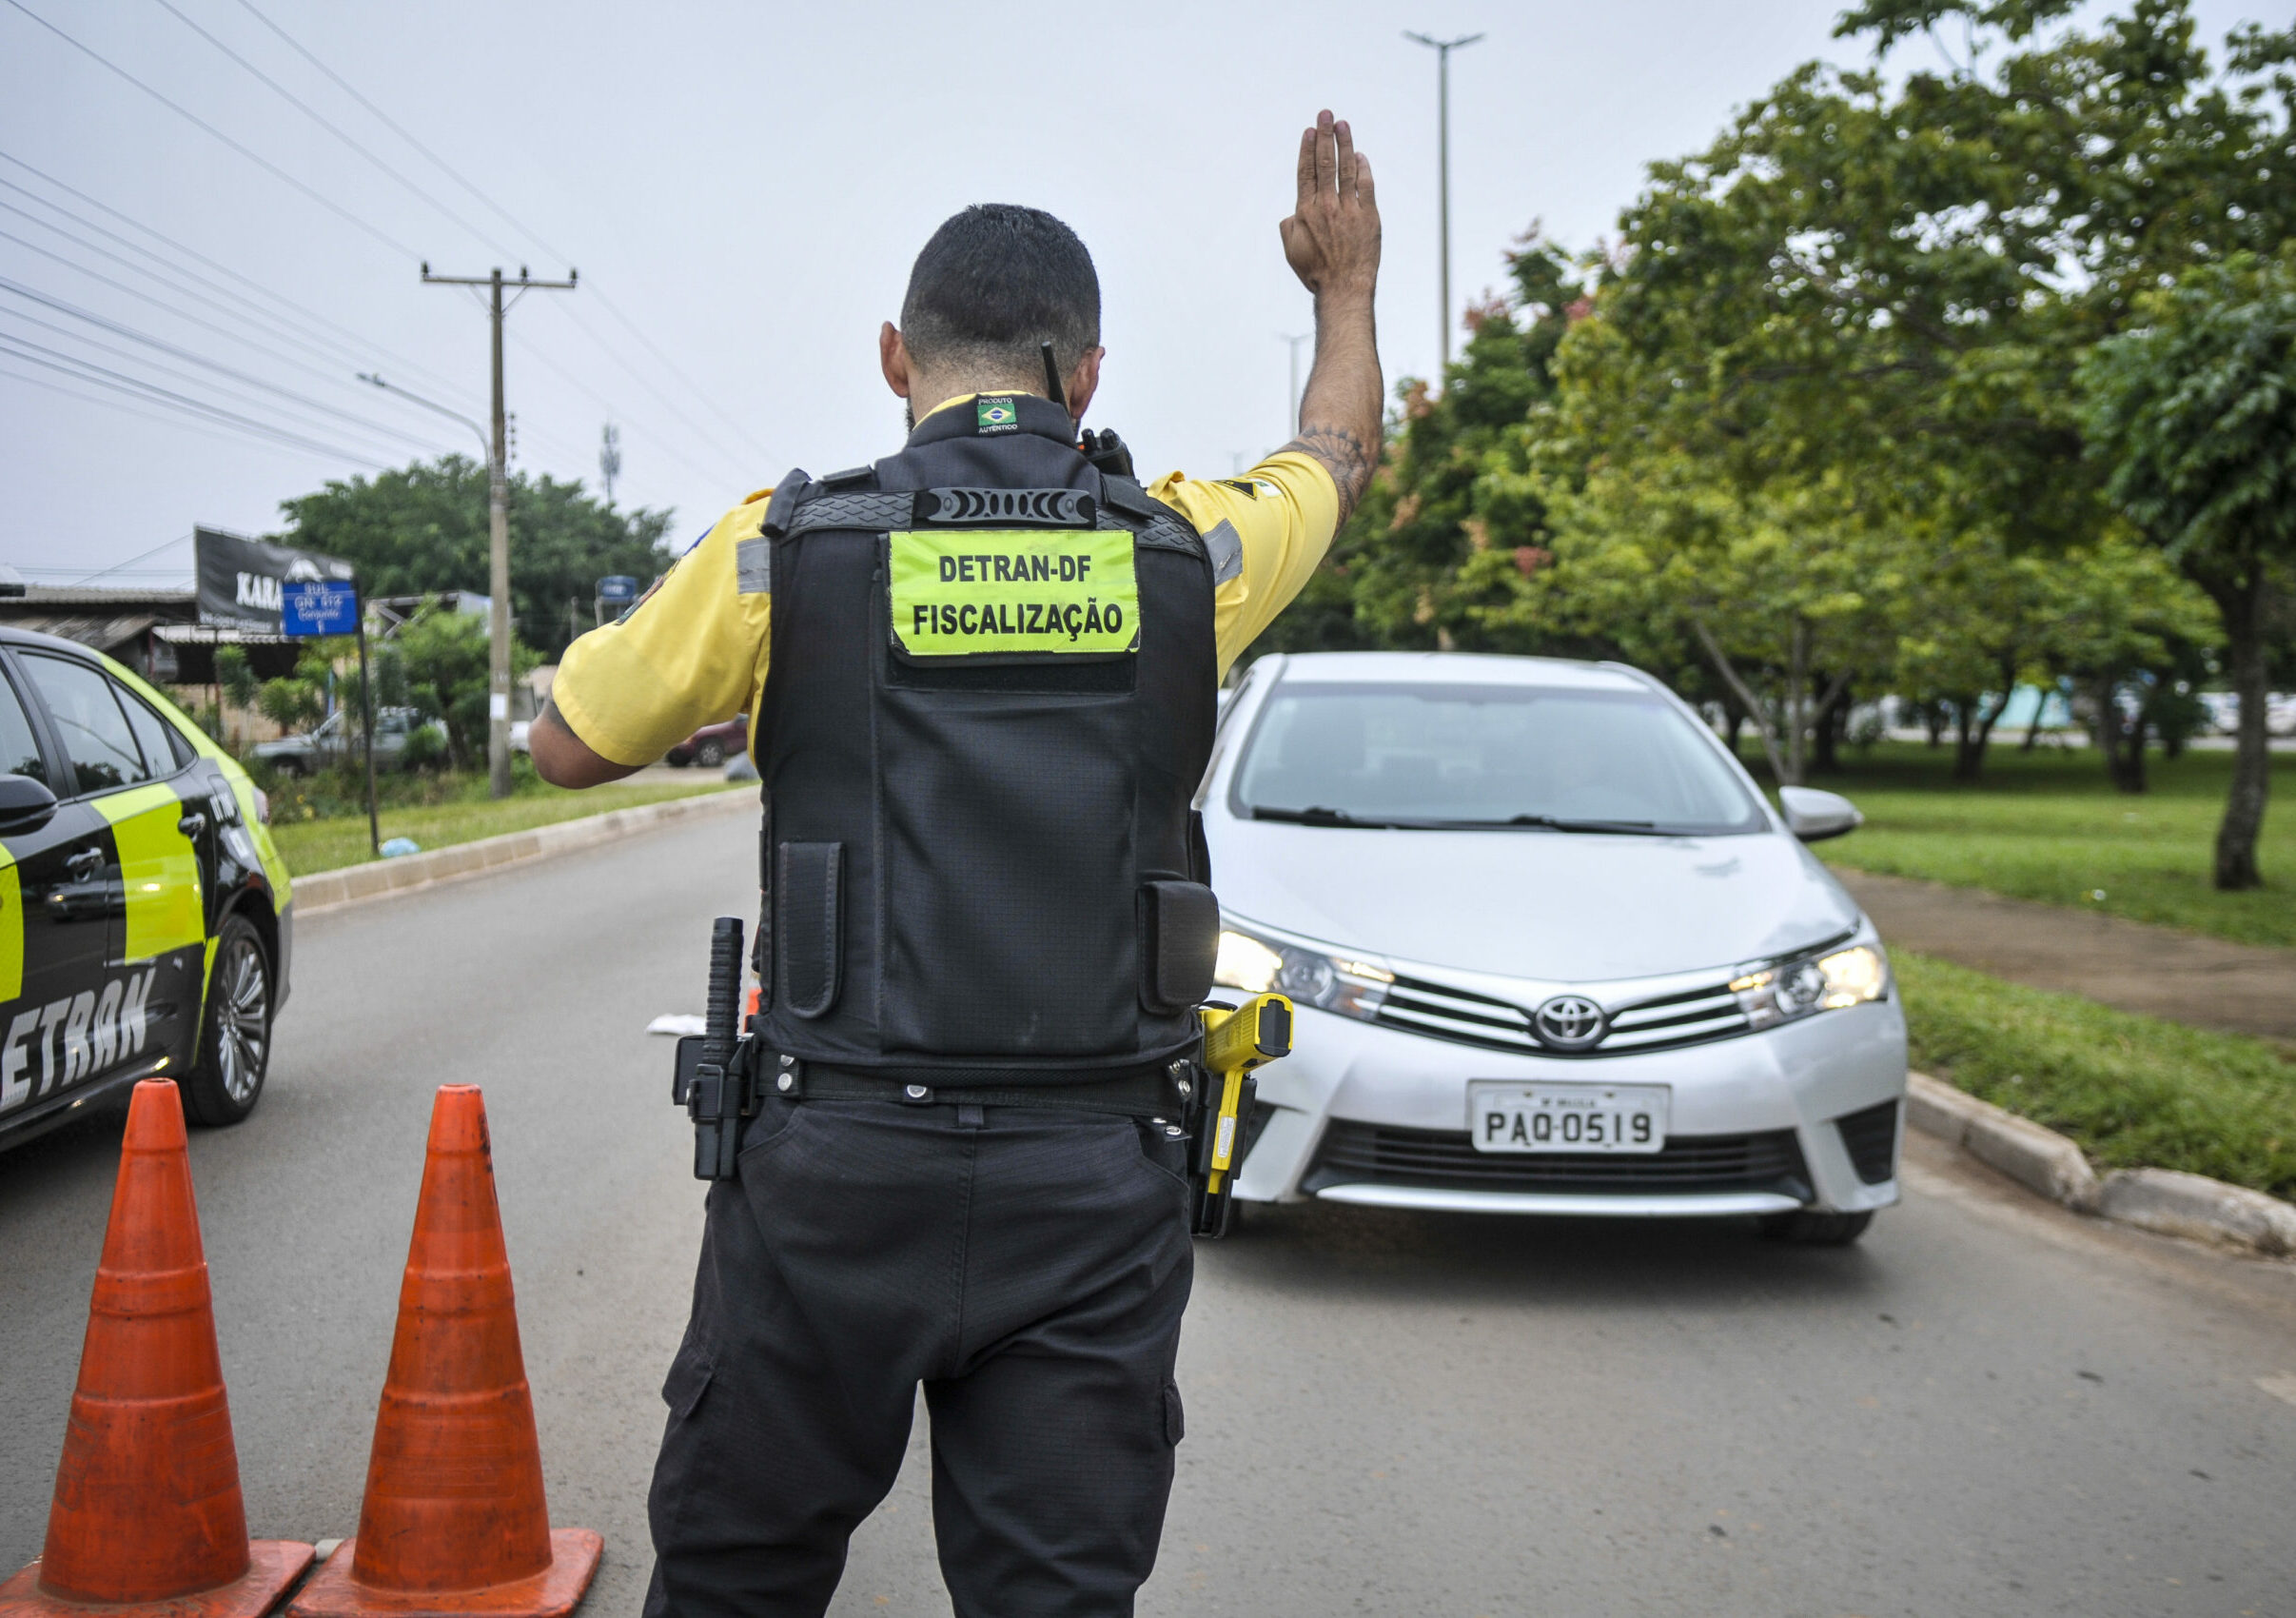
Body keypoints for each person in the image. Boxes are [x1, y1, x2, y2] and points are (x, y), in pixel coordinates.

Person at [531, 109, 1382, 1618]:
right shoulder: (1192, 554)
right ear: (1090, 373)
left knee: (736, 1578)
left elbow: (567, 744)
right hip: (1093, 1176)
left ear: (892, 356)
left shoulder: (776, 555)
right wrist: (1346, 293)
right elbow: (1333, 456)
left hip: (832, 1170)